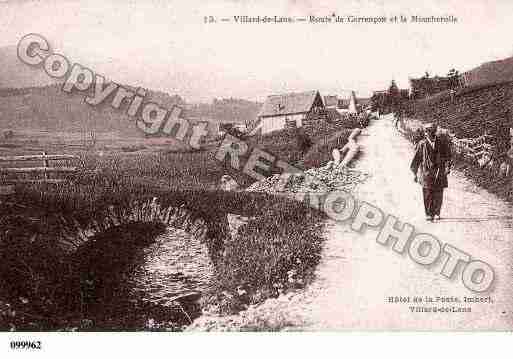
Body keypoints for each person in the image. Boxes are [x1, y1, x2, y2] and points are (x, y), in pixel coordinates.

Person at [410, 123, 452, 221]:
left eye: (432, 131)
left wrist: (447, 167)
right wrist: (415, 173)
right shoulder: (422, 144)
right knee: (427, 192)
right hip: (426, 172)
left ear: (435, 131)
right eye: (428, 131)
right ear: (426, 133)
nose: (430, 133)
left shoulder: (442, 143)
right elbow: (417, 159)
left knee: (438, 192)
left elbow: (448, 156)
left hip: (439, 171)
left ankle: (437, 212)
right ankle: (429, 213)